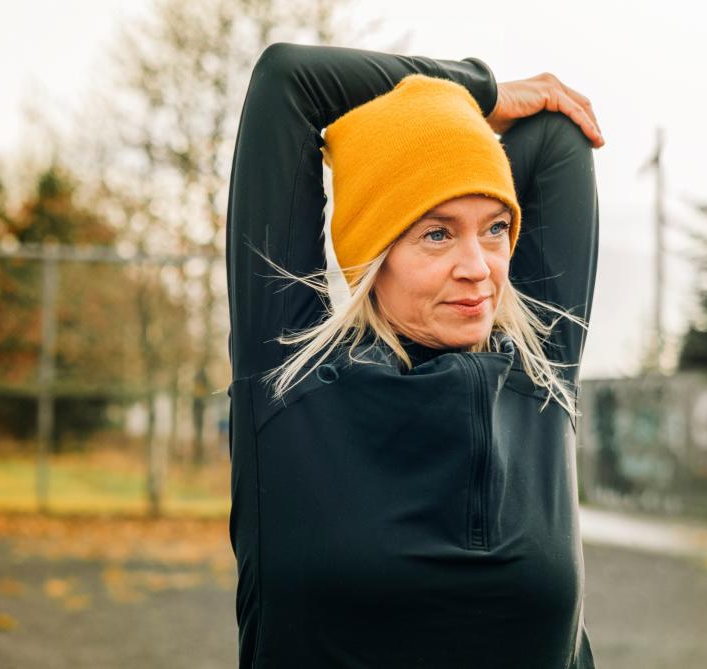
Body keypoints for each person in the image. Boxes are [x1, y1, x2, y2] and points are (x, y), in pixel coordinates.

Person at [225, 40, 603, 668]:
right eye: (436, 233)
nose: (478, 269)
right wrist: (477, 92)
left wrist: (456, 130)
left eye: (495, 227)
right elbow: (290, 81)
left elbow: (555, 135)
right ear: (374, 254)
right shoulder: (290, 383)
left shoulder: (541, 377)